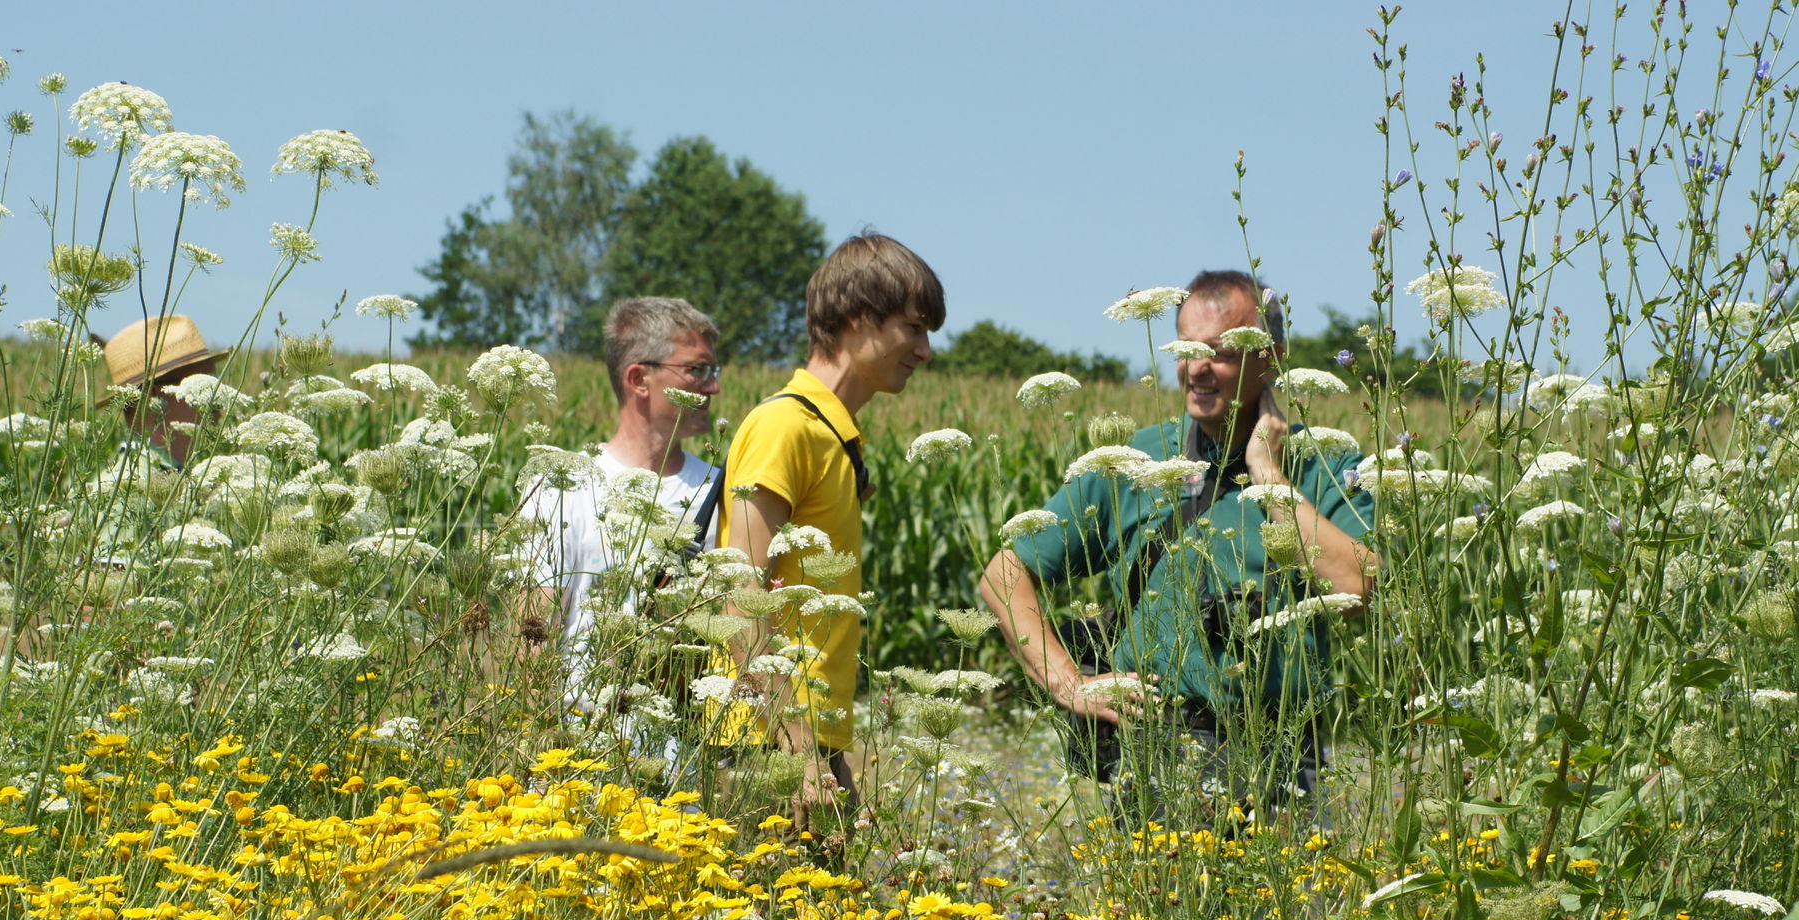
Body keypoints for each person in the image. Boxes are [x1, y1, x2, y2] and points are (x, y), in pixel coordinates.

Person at [979, 269, 1377, 820]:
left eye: (1219, 351)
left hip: (1288, 753)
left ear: (1273, 358)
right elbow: (1003, 573)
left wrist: (1269, 476)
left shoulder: (1325, 468)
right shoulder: (1133, 462)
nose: (1196, 368)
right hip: (1164, 750)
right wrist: (1066, 682)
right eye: (1187, 348)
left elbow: (1357, 588)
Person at [719, 232, 945, 828]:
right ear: (856, 318)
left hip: (801, 740)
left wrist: (824, 752)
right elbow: (739, 597)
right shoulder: (784, 428)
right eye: (915, 329)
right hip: (763, 745)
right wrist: (797, 747)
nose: (925, 351)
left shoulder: (832, 439)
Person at [517, 296, 724, 710]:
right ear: (638, 379)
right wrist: (543, 747)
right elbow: (533, 637)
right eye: (696, 370)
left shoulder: (721, 489)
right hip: (576, 747)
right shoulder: (562, 484)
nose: (713, 386)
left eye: (713, 371)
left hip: (679, 753)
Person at [104, 314, 224, 467]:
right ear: (151, 396)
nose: (217, 399)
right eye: (202, 385)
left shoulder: (166, 473)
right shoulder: (131, 483)